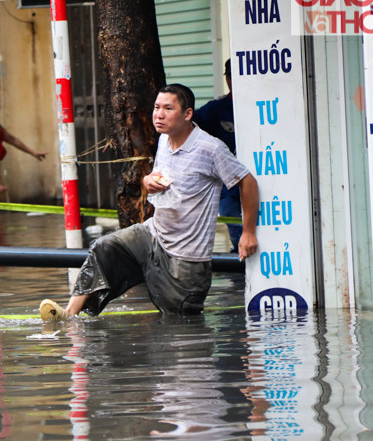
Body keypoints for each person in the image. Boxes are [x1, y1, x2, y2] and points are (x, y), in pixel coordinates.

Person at [39, 83, 259, 320]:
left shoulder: (211, 148)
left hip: (186, 258)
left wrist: (248, 232)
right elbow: (156, 179)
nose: (159, 114)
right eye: (156, 107)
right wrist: (147, 181)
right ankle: (68, 315)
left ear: (187, 114)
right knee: (104, 248)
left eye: (168, 108)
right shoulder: (164, 140)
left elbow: (247, 182)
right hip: (153, 234)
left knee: (179, 327)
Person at [193, 59, 241, 251]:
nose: (233, 81)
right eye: (230, 77)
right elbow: (190, 123)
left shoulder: (264, 103)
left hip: (265, 176)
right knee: (239, 236)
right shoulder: (216, 109)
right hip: (230, 185)